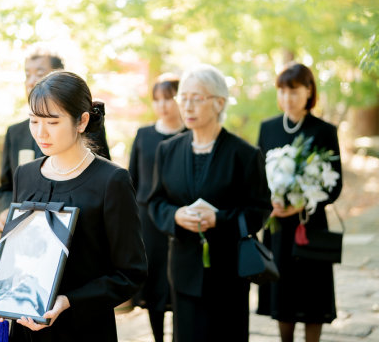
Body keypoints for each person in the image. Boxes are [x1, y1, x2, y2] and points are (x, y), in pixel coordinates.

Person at [0, 70, 147, 341]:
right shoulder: (25, 173)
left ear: (81, 121)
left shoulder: (111, 180)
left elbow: (130, 274)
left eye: (52, 122)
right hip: (26, 329)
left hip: (83, 329)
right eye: (34, 121)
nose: (40, 132)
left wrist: (69, 301)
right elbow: (18, 252)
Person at [147, 64, 271, 342]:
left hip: (228, 274)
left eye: (196, 98)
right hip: (184, 269)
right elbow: (155, 201)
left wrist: (220, 220)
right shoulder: (167, 150)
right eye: (183, 98)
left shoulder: (245, 154)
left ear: (219, 103)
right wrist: (176, 216)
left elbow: (260, 210)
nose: (187, 106)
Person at [257, 63, 343, 342]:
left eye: (293, 91)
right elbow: (257, 177)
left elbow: (335, 184)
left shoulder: (324, 131)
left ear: (309, 91)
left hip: (310, 224)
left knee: (313, 293)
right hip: (278, 226)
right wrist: (270, 203)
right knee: (283, 293)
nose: (286, 98)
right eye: (282, 91)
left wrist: (303, 203)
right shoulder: (268, 128)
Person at [0, 44, 110, 231]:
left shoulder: (87, 128)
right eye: (27, 75)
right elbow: (6, 186)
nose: (32, 82)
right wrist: (5, 210)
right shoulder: (15, 133)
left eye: (39, 75)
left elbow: (100, 181)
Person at [128, 73, 186, 342]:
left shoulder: (190, 135)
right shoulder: (144, 135)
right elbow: (132, 179)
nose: (163, 104)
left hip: (179, 218)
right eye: (158, 99)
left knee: (178, 280)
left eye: (170, 97)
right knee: (153, 286)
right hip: (147, 220)